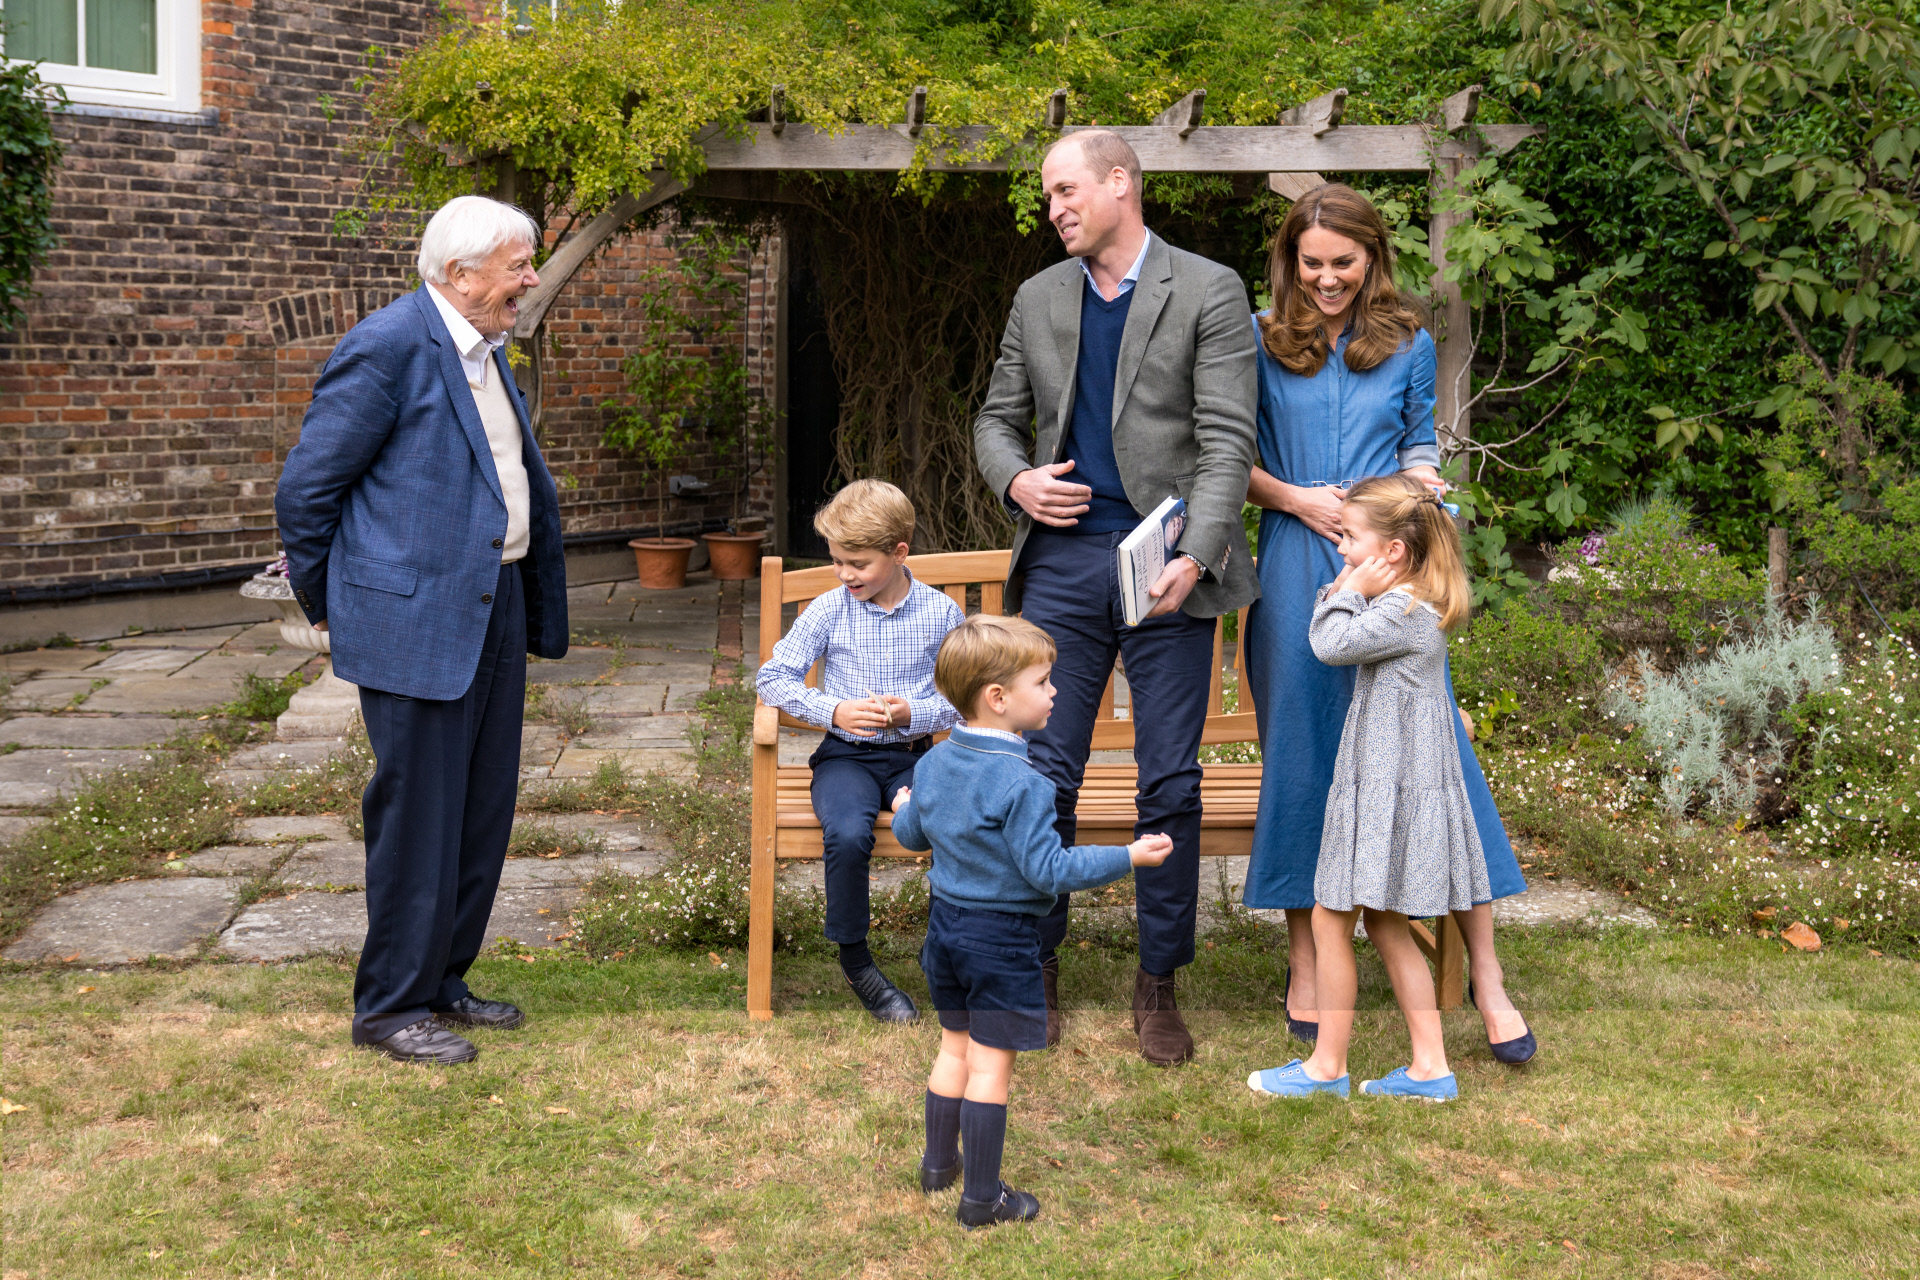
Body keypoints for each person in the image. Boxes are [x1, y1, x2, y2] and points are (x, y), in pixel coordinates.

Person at [973, 129, 1259, 1066]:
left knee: (1168, 780)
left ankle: (1158, 982)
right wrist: (1016, 481)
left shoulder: (1209, 289)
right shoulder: (1037, 297)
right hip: (1061, 566)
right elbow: (992, 419)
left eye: (1065, 190)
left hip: (1167, 567)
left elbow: (1226, 443)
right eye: (1048, 195)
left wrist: (1201, 555)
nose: (1054, 208)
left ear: (1120, 184)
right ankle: (1037, 968)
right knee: (1043, 777)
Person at [1240, 183, 1535, 1067]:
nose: (1328, 280)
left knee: (1433, 748)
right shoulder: (1258, 338)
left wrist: (1420, 482)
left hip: (1392, 564)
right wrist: (1298, 498)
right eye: (1313, 263)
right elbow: (1230, 455)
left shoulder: (1405, 341)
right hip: (1298, 559)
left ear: (1373, 259)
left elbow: (1418, 440)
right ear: (1291, 260)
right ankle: (1305, 959)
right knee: (1304, 749)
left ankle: (1485, 973)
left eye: (1345, 263)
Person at [276, 195, 570, 1065]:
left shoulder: (485, 350)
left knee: (480, 810)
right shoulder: (390, 344)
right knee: (418, 817)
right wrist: (330, 604)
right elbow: (307, 491)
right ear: (460, 274)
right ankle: (389, 1008)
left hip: (493, 603)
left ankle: (443, 980)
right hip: (414, 618)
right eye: (517, 265)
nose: (530, 278)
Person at [891, 614, 1173, 1227]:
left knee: (953, 1048)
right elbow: (1048, 870)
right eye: (1043, 682)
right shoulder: (1025, 783)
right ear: (999, 699)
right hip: (1000, 941)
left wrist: (902, 805)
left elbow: (913, 835)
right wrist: (1128, 855)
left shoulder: (935, 763)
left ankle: (939, 1169)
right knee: (991, 1067)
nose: (1054, 693)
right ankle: (982, 1200)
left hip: (945, 933)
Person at [1248, 476, 1525, 1100]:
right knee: (1387, 927)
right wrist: (1354, 587)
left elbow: (1328, 643)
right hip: (1391, 787)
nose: (1340, 549)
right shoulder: (1412, 604)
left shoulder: (1401, 611)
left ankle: (1326, 1069)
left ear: (1392, 552)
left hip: (1384, 797)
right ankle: (1430, 1068)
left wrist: (1346, 589)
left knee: (1329, 919)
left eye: (1349, 538)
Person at [755, 480, 965, 1021]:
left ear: (899, 552)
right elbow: (772, 679)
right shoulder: (829, 610)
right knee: (847, 833)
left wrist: (911, 713)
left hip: (917, 757)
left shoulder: (940, 615)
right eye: (837, 562)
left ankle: (943, 953)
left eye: (857, 563)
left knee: (950, 825)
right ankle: (857, 963)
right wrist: (832, 710)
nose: (845, 574)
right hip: (845, 758)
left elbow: (965, 699)